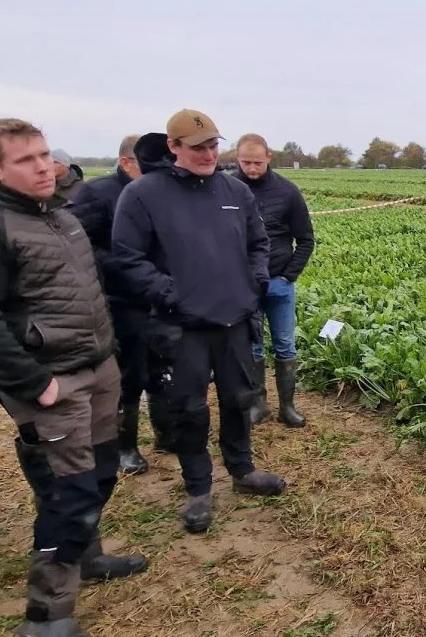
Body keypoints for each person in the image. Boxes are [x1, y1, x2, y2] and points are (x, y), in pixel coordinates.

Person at [0, 118, 148, 636]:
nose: (41, 167)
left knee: (98, 476)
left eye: (43, 154)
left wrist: (110, 354)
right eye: (25, 159)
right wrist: (33, 383)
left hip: (98, 369)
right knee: (68, 492)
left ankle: (88, 557)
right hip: (54, 381)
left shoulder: (62, 217)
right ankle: (47, 614)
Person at [112, 110, 286, 535]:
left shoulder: (234, 191)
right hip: (182, 326)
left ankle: (242, 469)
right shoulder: (143, 194)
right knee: (188, 409)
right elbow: (127, 258)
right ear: (174, 147)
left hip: (235, 319)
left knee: (239, 397)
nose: (209, 153)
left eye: (213, 144)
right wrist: (170, 294)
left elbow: (258, 243)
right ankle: (198, 488)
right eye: (198, 147)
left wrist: (254, 283)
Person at [69, 135, 172, 475]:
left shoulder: (160, 192)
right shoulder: (98, 194)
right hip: (121, 299)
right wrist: (127, 263)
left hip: (159, 295)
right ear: (127, 162)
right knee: (130, 373)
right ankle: (125, 446)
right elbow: (79, 248)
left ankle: (166, 434)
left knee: (162, 365)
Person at [232, 133, 314, 428]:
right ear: (236, 159)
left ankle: (287, 407)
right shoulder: (227, 189)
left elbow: (306, 240)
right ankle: (259, 404)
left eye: (257, 162)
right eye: (245, 162)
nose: (251, 168)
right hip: (244, 286)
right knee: (252, 347)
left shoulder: (287, 192)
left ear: (269, 157)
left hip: (279, 283)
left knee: (285, 345)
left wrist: (288, 275)